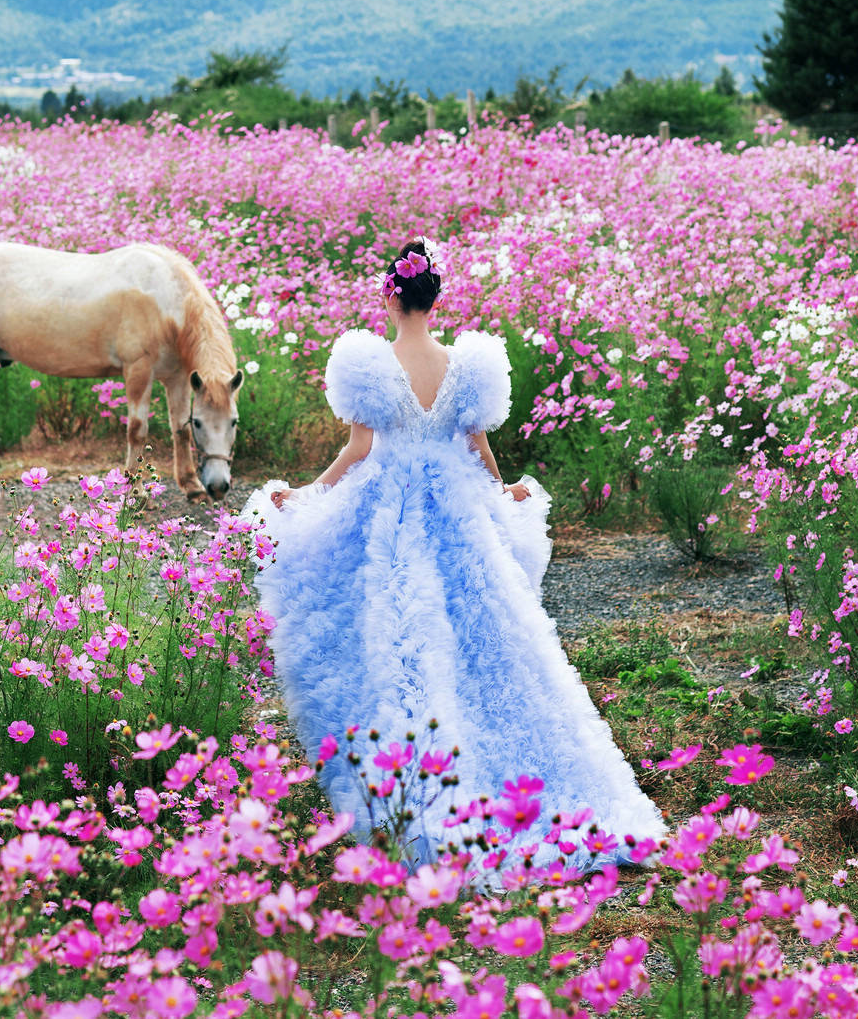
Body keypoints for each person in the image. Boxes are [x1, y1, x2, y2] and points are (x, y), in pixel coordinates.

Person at [242, 235, 666, 871]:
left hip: (390, 506)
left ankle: (413, 782)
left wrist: (306, 494)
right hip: (456, 508)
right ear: (434, 298)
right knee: (488, 634)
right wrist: (502, 492)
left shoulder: (367, 361)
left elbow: (360, 448)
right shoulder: (468, 364)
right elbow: (475, 447)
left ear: (391, 295)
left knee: (397, 633)